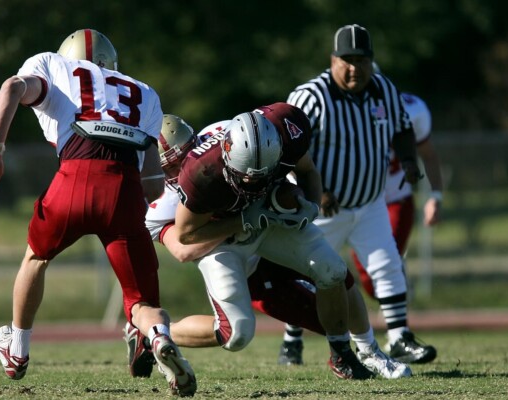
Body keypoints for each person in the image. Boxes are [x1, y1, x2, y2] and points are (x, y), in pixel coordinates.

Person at [0, 29, 196, 397]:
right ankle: (158, 338)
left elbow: (12, 86)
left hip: (73, 175)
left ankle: (18, 349)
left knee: (36, 257)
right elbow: (153, 184)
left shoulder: (53, 65)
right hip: (123, 187)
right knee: (142, 302)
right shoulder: (144, 91)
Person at [126, 113, 411, 379]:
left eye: (189, 152)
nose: (186, 164)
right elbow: (184, 249)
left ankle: (368, 351)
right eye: (174, 165)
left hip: (265, 224)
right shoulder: (160, 203)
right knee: (236, 333)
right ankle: (158, 336)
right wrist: (243, 221)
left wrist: (294, 198)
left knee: (335, 273)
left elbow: (281, 169)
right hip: (225, 248)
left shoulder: (229, 137)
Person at [286, 24, 437, 365]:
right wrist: (316, 191)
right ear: (333, 60)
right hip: (323, 207)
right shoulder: (312, 96)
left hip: (370, 202)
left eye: (362, 60)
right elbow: (289, 148)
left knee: (387, 265)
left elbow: (401, 128)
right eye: (347, 60)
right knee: (308, 273)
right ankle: (291, 341)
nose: (355, 68)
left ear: (372, 61)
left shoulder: (383, 87)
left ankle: (399, 337)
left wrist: (410, 160)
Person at [351, 66, 444, 299]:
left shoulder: (411, 110)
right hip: (357, 203)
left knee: (384, 262)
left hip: (395, 198)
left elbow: (428, 155)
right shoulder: (334, 110)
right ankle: (395, 299)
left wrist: (436, 197)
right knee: (368, 279)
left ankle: (398, 323)